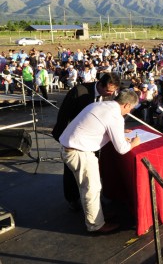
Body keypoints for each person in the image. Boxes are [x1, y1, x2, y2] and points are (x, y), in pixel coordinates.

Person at [59, 89, 141, 233]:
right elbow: (122, 149)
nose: (129, 112)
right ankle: (96, 225)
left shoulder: (101, 105)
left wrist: (119, 133)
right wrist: (134, 142)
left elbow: (96, 126)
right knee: (91, 189)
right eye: (131, 109)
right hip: (79, 152)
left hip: (70, 147)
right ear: (127, 105)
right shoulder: (115, 116)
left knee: (89, 186)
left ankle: (97, 215)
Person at [52, 73, 121, 211]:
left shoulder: (110, 94)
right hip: (74, 140)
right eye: (108, 91)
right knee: (73, 170)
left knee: (92, 169)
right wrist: (63, 138)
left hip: (94, 139)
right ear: (100, 84)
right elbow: (64, 115)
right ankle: (73, 198)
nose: (111, 94)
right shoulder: (80, 91)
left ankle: (93, 197)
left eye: (113, 91)